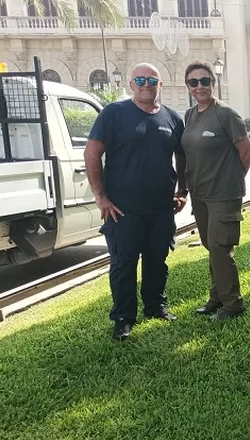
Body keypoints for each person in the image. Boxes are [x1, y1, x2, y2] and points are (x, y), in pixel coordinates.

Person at [84, 63, 186, 341]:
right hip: (122, 209)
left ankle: (155, 306)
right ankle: (123, 318)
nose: (146, 85)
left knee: (157, 260)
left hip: (161, 207)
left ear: (160, 85)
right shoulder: (114, 114)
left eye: (152, 80)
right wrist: (101, 197)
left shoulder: (172, 119)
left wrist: (183, 190)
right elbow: (92, 153)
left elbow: (182, 156)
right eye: (140, 80)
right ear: (131, 84)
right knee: (123, 264)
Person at [180, 61, 250, 321]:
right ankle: (217, 298)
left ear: (213, 82)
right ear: (188, 86)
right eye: (193, 82)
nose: (199, 87)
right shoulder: (190, 115)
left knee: (221, 248)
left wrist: (231, 180)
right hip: (200, 194)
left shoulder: (226, 114)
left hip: (223, 194)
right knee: (211, 246)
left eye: (205, 81)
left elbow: (246, 151)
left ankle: (233, 305)